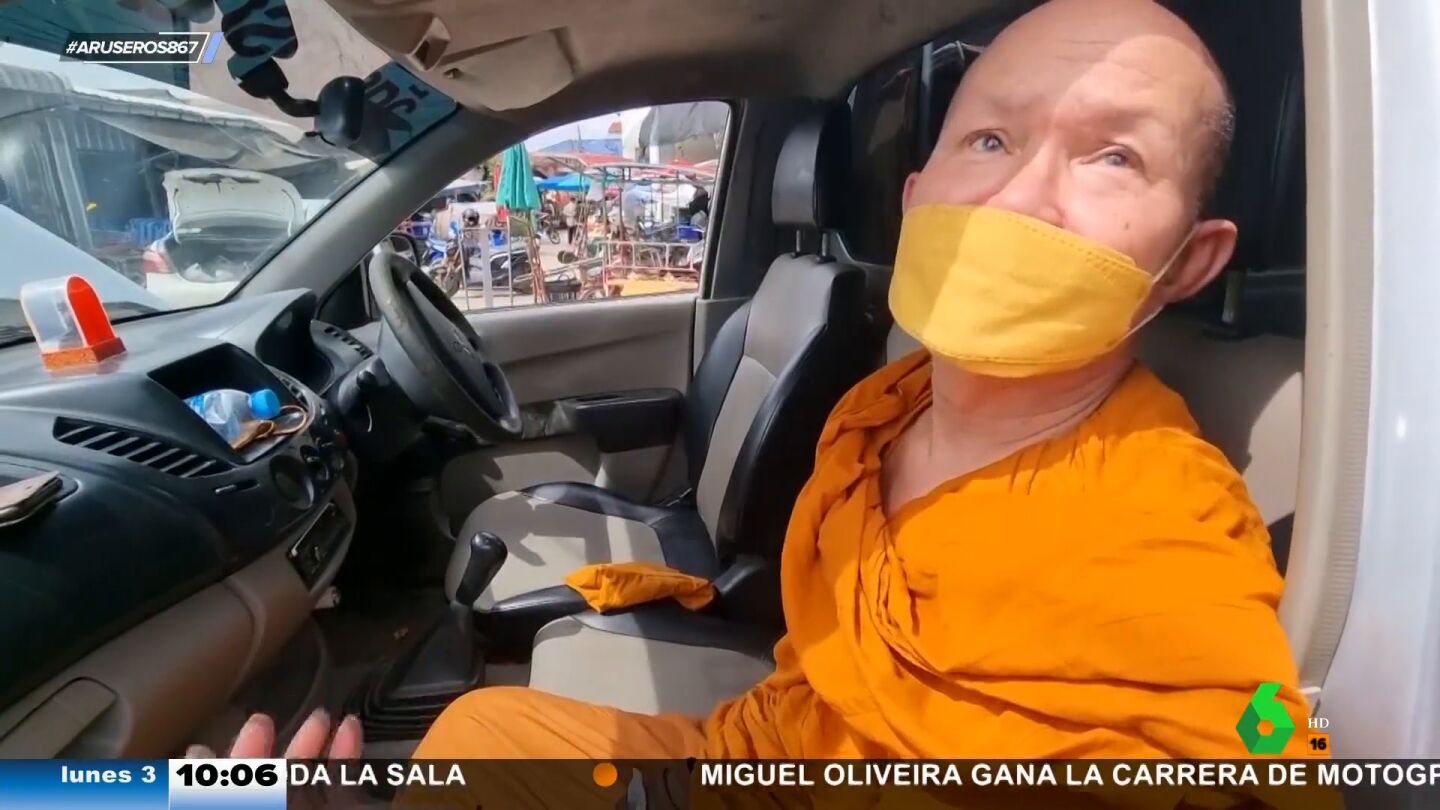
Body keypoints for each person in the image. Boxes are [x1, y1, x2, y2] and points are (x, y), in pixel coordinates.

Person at [207, 0, 1312, 777]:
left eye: (1113, 157)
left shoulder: (1164, 525)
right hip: (758, 749)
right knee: (466, 740)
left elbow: (1255, 751)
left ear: (1192, 260)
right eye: (989, 138)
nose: (1022, 197)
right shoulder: (886, 405)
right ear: (917, 195)